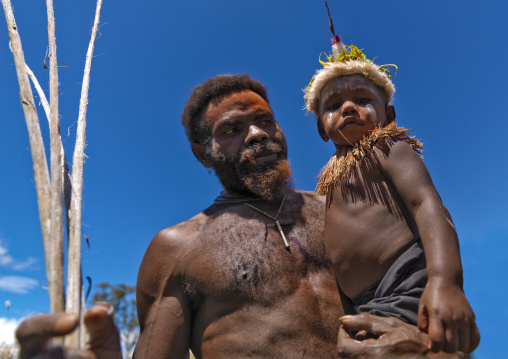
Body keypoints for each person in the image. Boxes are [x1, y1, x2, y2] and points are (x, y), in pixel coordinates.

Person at [16, 74, 466, 359]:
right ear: (202, 155)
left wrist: (432, 346)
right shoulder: (178, 247)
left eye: (265, 121)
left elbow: (432, 298)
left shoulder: (341, 215)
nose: (256, 135)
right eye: (231, 129)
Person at [303, 25, 480, 354]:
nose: (348, 108)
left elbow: (425, 204)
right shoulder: (327, 183)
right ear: (321, 130)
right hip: (365, 305)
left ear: (389, 115)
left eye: (362, 99)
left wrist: (445, 281)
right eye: (334, 105)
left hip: (408, 285)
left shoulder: (386, 146)